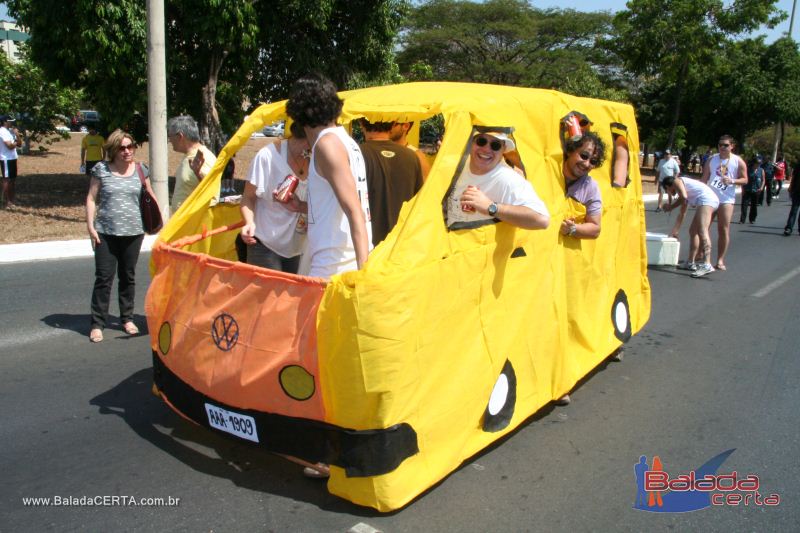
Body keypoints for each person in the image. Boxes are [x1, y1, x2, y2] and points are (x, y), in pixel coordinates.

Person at [285, 74, 372, 282]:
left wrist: (363, 278)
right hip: (338, 263)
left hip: (335, 268)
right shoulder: (344, 141)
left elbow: (354, 211)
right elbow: (338, 206)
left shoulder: (327, 145)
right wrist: (302, 206)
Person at [85, 130, 157, 343]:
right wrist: (90, 226)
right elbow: (91, 198)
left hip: (133, 233)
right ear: (113, 150)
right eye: (122, 148)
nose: (127, 151)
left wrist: (158, 222)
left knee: (128, 277)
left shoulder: (141, 170)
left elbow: (150, 196)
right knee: (103, 278)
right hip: (105, 233)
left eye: (130, 146)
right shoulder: (101, 169)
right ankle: (98, 323)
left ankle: (127, 318)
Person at [240, 122, 310, 272]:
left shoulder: (318, 159)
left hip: (298, 250)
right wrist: (249, 222)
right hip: (265, 246)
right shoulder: (267, 156)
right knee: (264, 295)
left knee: (292, 296)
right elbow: (248, 197)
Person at [447, 131, 550, 231]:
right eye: (481, 141)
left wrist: (491, 207)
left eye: (495, 145)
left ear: (503, 150)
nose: (486, 149)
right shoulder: (457, 164)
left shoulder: (508, 179)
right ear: (471, 143)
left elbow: (542, 220)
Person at [359, 119, 424, 245]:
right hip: (401, 242)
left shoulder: (356, 154)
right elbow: (419, 201)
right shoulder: (412, 157)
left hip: (366, 242)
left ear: (361, 124)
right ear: (393, 124)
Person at [701, 135, 747, 272]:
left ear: (732, 146)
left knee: (723, 229)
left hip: (726, 200)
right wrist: (697, 196)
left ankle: (720, 260)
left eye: (725, 145)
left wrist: (732, 181)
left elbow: (745, 180)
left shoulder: (738, 161)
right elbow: (704, 178)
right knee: (704, 227)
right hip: (710, 198)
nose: (722, 147)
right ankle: (701, 255)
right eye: (720, 144)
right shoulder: (711, 159)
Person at [662, 175, 719, 277]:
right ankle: (690, 262)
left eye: (668, 191)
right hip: (706, 200)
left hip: (707, 200)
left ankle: (707, 264)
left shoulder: (677, 181)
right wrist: (676, 230)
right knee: (693, 231)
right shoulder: (683, 190)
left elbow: (683, 198)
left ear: (668, 186)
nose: (670, 193)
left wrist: (671, 207)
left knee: (703, 231)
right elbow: (682, 212)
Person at [559, 131, 604, 240]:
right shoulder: (550, 170)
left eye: (593, 161)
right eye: (584, 156)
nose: (586, 163)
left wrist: (572, 229)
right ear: (570, 151)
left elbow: (595, 229)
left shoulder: (591, 187)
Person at [167, 115, 217, 214]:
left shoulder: (203, 158)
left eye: (170, 136)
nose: (169, 141)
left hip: (195, 225)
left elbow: (212, 194)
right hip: (184, 224)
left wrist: (198, 173)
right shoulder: (189, 156)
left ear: (180, 136)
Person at [0, 114, 22, 207]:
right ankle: (5, 201)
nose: (12, 123)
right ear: (5, 122)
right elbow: (9, 146)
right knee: (7, 180)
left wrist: (17, 135)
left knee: (12, 180)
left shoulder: (10, 131)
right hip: (6, 158)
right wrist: (16, 142)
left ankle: (11, 200)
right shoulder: (2, 131)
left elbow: (19, 144)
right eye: (10, 121)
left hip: (13, 157)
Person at [740, 155, 765, 224]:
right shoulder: (748, 170)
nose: (758, 165)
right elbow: (743, 179)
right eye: (757, 164)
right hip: (747, 189)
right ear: (753, 163)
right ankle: (742, 220)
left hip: (756, 190)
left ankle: (752, 219)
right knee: (744, 205)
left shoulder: (761, 170)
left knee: (754, 206)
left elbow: (763, 180)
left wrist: (761, 187)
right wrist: (743, 189)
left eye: (759, 164)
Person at [783, 164, 800, 236]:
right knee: (794, 210)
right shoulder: (798, 166)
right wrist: (791, 186)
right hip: (797, 191)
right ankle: (789, 228)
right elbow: (794, 177)